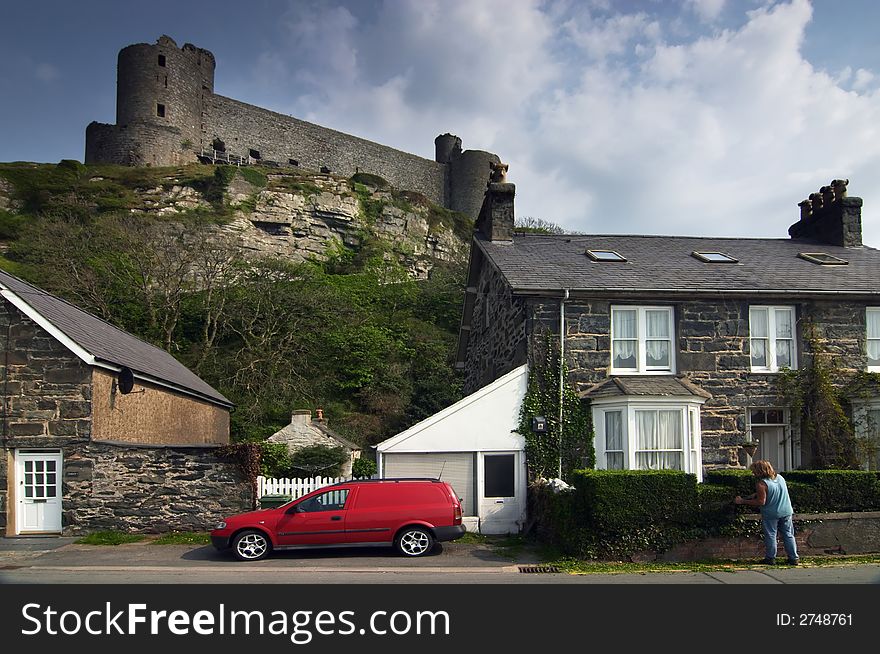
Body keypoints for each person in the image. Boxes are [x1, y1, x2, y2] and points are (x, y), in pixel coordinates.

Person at [734, 460, 799, 565]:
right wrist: (756, 494)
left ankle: (770, 558)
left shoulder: (761, 484)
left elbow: (761, 502)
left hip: (771, 513)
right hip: (786, 510)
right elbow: (775, 491)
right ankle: (794, 558)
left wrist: (742, 501)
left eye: (754, 471)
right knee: (788, 534)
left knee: (771, 535)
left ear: (759, 471)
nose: (753, 473)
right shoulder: (780, 478)